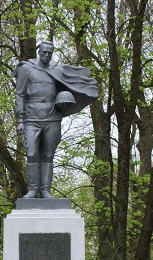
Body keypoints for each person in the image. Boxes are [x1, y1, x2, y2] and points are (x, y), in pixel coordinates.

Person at [15, 41, 98, 198]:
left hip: (52, 117)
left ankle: (45, 190)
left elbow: (67, 86)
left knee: (48, 155)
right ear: (39, 52)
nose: (46, 55)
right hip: (31, 117)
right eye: (44, 52)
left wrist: (65, 100)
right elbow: (20, 95)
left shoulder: (57, 70)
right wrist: (20, 119)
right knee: (32, 154)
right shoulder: (26, 69)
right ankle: (32, 190)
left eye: (49, 53)